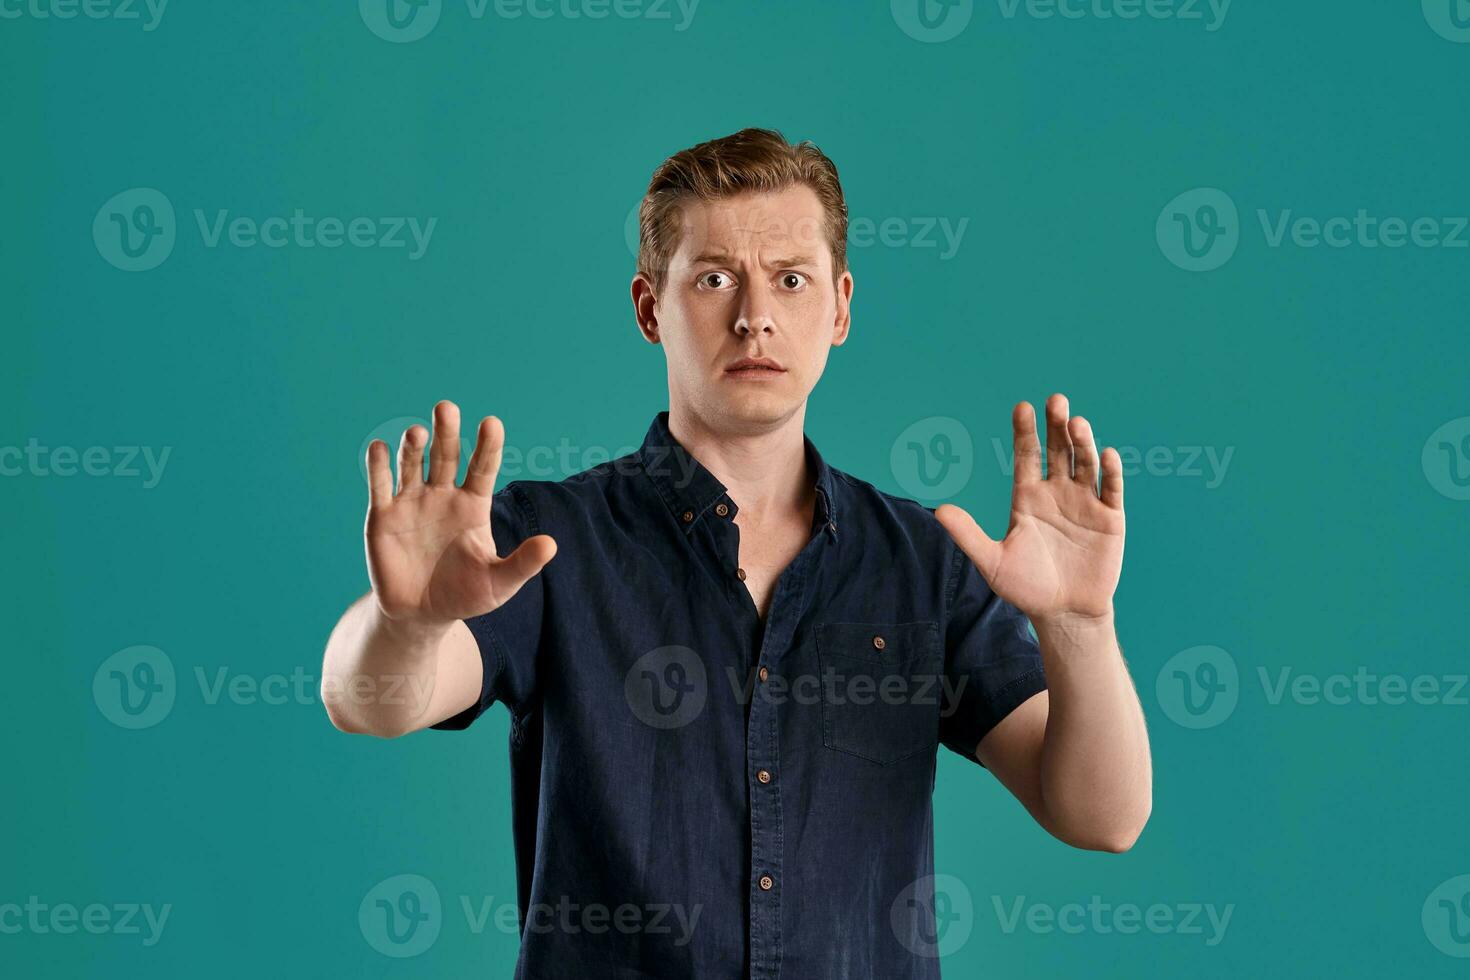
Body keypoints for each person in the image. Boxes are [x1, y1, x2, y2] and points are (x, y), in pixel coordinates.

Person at [321, 127, 1151, 979]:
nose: (754, 313)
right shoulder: (544, 542)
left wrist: (1080, 624)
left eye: (791, 279)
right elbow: (368, 701)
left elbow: (1103, 816)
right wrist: (406, 622)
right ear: (650, 308)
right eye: (715, 278)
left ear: (839, 308)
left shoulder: (921, 563)